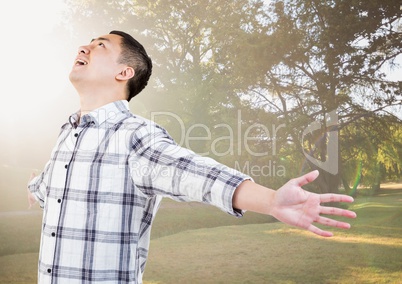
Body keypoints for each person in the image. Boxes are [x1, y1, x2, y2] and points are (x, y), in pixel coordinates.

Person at [27, 30, 356, 284]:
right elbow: (50, 188)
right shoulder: (67, 134)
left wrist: (271, 201)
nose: (83, 47)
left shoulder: (133, 136)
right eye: (87, 43)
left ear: (124, 72)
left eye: (100, 45)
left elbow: (194, 173)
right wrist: (35, 186)